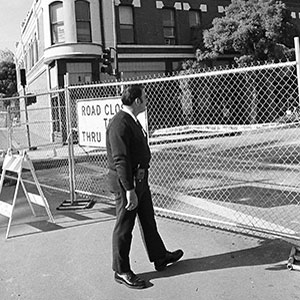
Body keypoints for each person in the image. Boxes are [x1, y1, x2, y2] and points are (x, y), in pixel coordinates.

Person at [106, 84, 183, 289]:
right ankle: (121, 270)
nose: (146, 101)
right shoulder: (119, 123)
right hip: (127, 184)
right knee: (125, 226)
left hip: (139, 180)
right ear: (137, 101)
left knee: (148, 219)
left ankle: (160, 256)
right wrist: (129, 190)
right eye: (144, 97)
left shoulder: (132, 120)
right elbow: (120, 159)